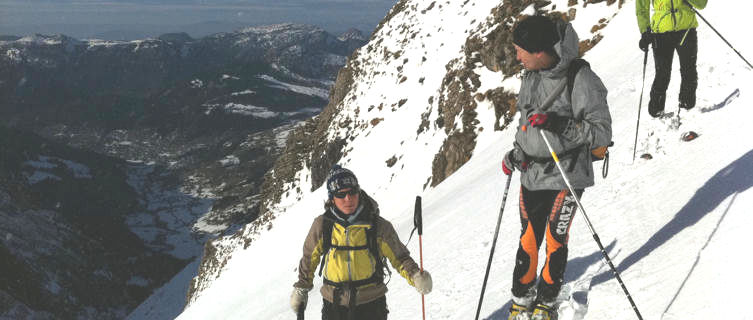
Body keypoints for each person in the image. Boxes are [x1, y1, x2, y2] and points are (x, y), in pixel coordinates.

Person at [501, 16, 612, 320]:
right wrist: (517, 153)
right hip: (532, 174)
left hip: (566, 174)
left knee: (554, 237)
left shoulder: (581, 79)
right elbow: (526, 125)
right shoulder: (530, 76)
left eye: (520, 50)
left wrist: (560, 124)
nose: (517, 56)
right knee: (528, 239)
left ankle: (547, 301)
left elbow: (602, 133)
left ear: (539, 51)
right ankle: (521, 300)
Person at [290, 165, 433, 320]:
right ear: (332, 198)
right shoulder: (323, 225)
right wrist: (301, 288)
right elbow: (309, 257)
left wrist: (415, 276)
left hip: (371, 305)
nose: (348, 199)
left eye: (352, 192)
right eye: (341, 194)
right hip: (334, 305)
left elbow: (400, 257)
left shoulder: (378, 226)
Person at [636, 0, 707, 117]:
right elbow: (641, 6)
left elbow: (701, 4)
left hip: (686, 28)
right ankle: (656, 113)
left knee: (688, 71)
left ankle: (687, 110)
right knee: (662, 74)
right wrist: (645, 31)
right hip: (661, 31)